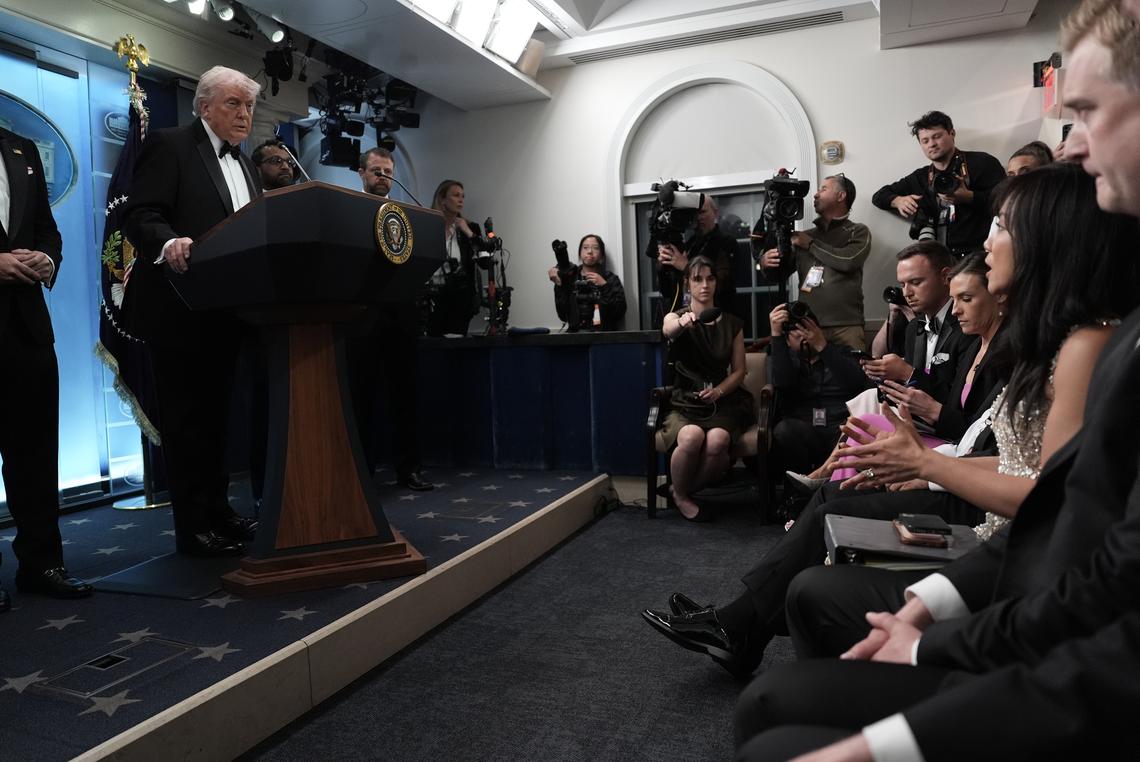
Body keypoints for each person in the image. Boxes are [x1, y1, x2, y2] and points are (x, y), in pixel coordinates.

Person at [731, 3, 1140, 751]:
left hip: (1050, 642)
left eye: (1083, 113)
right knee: (773, 695)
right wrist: (931, 601)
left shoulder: (1092, 344)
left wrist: (923, 461)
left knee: (775, 711)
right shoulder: (1076, 337)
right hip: (1015, 586)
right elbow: (1065, 517)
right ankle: (746, 631)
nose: (1073, 146)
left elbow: (1085, 565)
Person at [640, 255, 1003, 677]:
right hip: (937, 460)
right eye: (956, 298)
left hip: (965, 487)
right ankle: (739, 626)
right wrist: (780, 342)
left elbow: (973, 438)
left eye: (967, 297)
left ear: (998, 300)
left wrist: (927, 461)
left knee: (834, 494)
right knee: (827, 481)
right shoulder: (970, 342)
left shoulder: (994, 353)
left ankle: (738, 627)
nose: (956, 309)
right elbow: (788, 387)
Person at [122, 65, 262, 557]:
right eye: (233, 104)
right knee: (187, 424)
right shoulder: (171, 144)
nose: (244, 114)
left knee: (219, 421)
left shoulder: (245, 165)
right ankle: (192, 526)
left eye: (248, 106)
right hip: (179, 311)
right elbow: (139, 214)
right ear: (205, 106)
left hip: (229, 314)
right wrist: (170, 241)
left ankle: (219, 511)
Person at [0, 127, 93, 608]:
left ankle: (41, 566)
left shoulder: (21, 148)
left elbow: (45, 229)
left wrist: (46, 257)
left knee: (35, 454)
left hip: (28, 327)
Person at [344, 147, 432, 492]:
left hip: (401, 313)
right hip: (363, 315)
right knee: (361, 397)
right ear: (362, 174)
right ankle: (362, 470)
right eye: (377, 171)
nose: (383, 177)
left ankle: (409, 469)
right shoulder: (351, 211)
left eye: (388, 171)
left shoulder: (407, 214)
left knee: (405, 396)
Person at [659, 255, 752, 521]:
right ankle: (682, 496)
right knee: (690, 438)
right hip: (686, 400)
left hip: (720, 399)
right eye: (697, 279)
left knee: (718, 441)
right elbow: (668, 330)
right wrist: (682, 323)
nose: (705, 285)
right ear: (687, 283)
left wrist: (720, 391)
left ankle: (679, 490)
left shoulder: (732, 323)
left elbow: (739, 371)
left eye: (710, 278)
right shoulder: (675, 316)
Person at [861, 241, 976, 417]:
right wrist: (886, 377)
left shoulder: (967, 324)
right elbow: (912, 390)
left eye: (915, 282)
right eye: (902, 284)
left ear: (945, 277)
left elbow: (956, 401)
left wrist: (907, 372)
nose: (907, 292)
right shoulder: (914, 326)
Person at [760, 175, 873, 351]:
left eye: (823, 189)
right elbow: (779, 275)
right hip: (807, 324)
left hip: (846, 327)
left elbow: (848, 261)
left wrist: (811, 244)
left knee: (852, 376)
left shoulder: (857, 231)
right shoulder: (803, 236)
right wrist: (766, 263)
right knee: (808, 378)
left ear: (841, 196)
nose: (815, 195)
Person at [872, 111, 1005, 256]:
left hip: (983, 253)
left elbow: (1009, 201)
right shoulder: (921, 176)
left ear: (952, 133)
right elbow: (879, 196)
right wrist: (897, 201)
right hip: (944, 257)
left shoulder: (982, 163)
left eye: (937, 136)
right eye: (925, 141)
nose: (932, 144)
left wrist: (970, 196)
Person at [767, 303, 869, 477]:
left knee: (855, 430)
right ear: (787, 340)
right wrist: (776, 336)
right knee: (784, 430)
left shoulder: (840, 353)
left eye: (807, 328)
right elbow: (783, 384)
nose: (803, 335)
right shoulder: (785, 358)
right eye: (796, 332)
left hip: (839, 427)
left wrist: (823, 347)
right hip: (804, 428)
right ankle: (800, 488)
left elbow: (857, 383)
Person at [650, 194, 737, 322]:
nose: (698, 218)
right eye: (695, 213)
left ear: (715, 213)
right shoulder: (689, 244)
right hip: (684, 317)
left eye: (702, 212)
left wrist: (686, 266)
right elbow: (667, 291)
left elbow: (724, 284)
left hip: (716, 318)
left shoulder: (727, 243)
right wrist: (663, 266)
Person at [426, 179, 481, 337]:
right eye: (456, 195)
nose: (461, 200)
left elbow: (484, 261)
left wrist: (468, 233)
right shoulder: (428, 226)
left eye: (463, 196)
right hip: (433, 297)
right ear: (442, 199)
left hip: (461, 299)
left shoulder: (471, 228)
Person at [547, 234, 626, 331]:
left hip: (603, 337)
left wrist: (604, 286)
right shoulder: (570, 278)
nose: (590, 251)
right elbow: (563, 315)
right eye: (585, 248)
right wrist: (559, 286)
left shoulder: (610, 279)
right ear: (580, 253)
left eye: (595, 248)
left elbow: (619, 313)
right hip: (575, 337)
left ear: (601, 255)